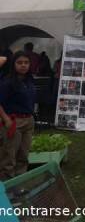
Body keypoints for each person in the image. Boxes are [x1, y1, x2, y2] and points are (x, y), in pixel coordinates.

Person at [0, 51, 36, 180]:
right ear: (13, 64)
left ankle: (19, 183)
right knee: (9, 156)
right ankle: (6, 187)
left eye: (26, 63)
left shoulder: (29, 80)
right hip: (14, 122)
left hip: (28, 120)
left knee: (23, 155)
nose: (23, 65)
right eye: (19, 62)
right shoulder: (7, 82)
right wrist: (6, 119)